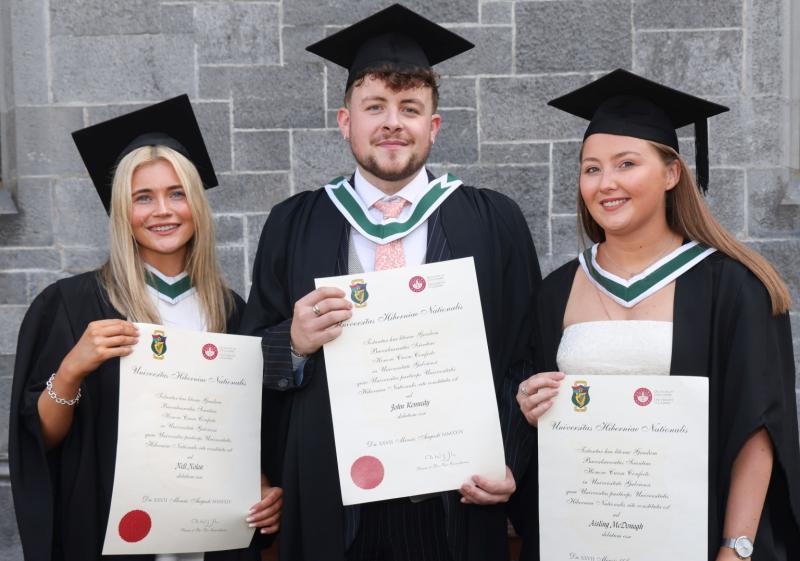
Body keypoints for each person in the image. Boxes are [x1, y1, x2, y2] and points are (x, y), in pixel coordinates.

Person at [240, 4, 541, 560]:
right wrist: (294, 342)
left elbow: (526, 352)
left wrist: (511, 462)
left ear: (434, 125)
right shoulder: (294, 222)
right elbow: (247, 355)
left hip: (458, 496)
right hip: (335, 499)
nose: (391, 122)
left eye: (409, 107)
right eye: (374, 106)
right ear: (345, 120)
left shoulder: (494, 220)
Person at [513, 69, 800, 561]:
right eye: (591, 168)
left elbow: (759, 428)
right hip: (582, 540)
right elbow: (543, 423)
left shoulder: (732, 287)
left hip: (698, 541)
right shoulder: (555, 290)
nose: (607, 184)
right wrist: (531, 405)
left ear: (671, 173)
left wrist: (736, 548)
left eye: (627, 164)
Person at [9, 95, 281, 561]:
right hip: (111, 540)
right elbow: (41, 441)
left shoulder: (232, 312)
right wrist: (72, 369)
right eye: (143, 197)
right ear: (123, 212)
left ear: (196, 204)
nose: (163, 210)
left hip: (211, 542)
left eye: (177, 193)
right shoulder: (73, 305)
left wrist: (261, 490)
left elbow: (250, 433)